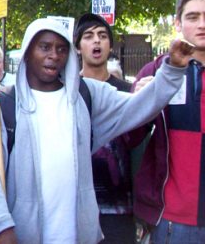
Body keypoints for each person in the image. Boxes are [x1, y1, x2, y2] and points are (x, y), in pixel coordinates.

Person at [0, 17, 191, 244]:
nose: (54, 55)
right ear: (28, 52)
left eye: (61, 49)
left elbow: (138, 107)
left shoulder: (87, 95)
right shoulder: (2, 103)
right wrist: (0, 225)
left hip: (78, 235)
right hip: (23, 235)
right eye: (45, 47)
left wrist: (172, 71)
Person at [127, 0, 205, 243]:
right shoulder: (156, 72)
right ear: (178, 23)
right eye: (193, 17)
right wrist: (141, 103)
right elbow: (129, 138)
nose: (201, 24)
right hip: (173, 221)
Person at [73, 13, 134, 243]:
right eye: (88, 36)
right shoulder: (67, 91)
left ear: (110, 44)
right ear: (78, 47)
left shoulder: (130, 91)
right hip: (76, 206)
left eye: (102, 36)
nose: (96, 41)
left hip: (118, 208)